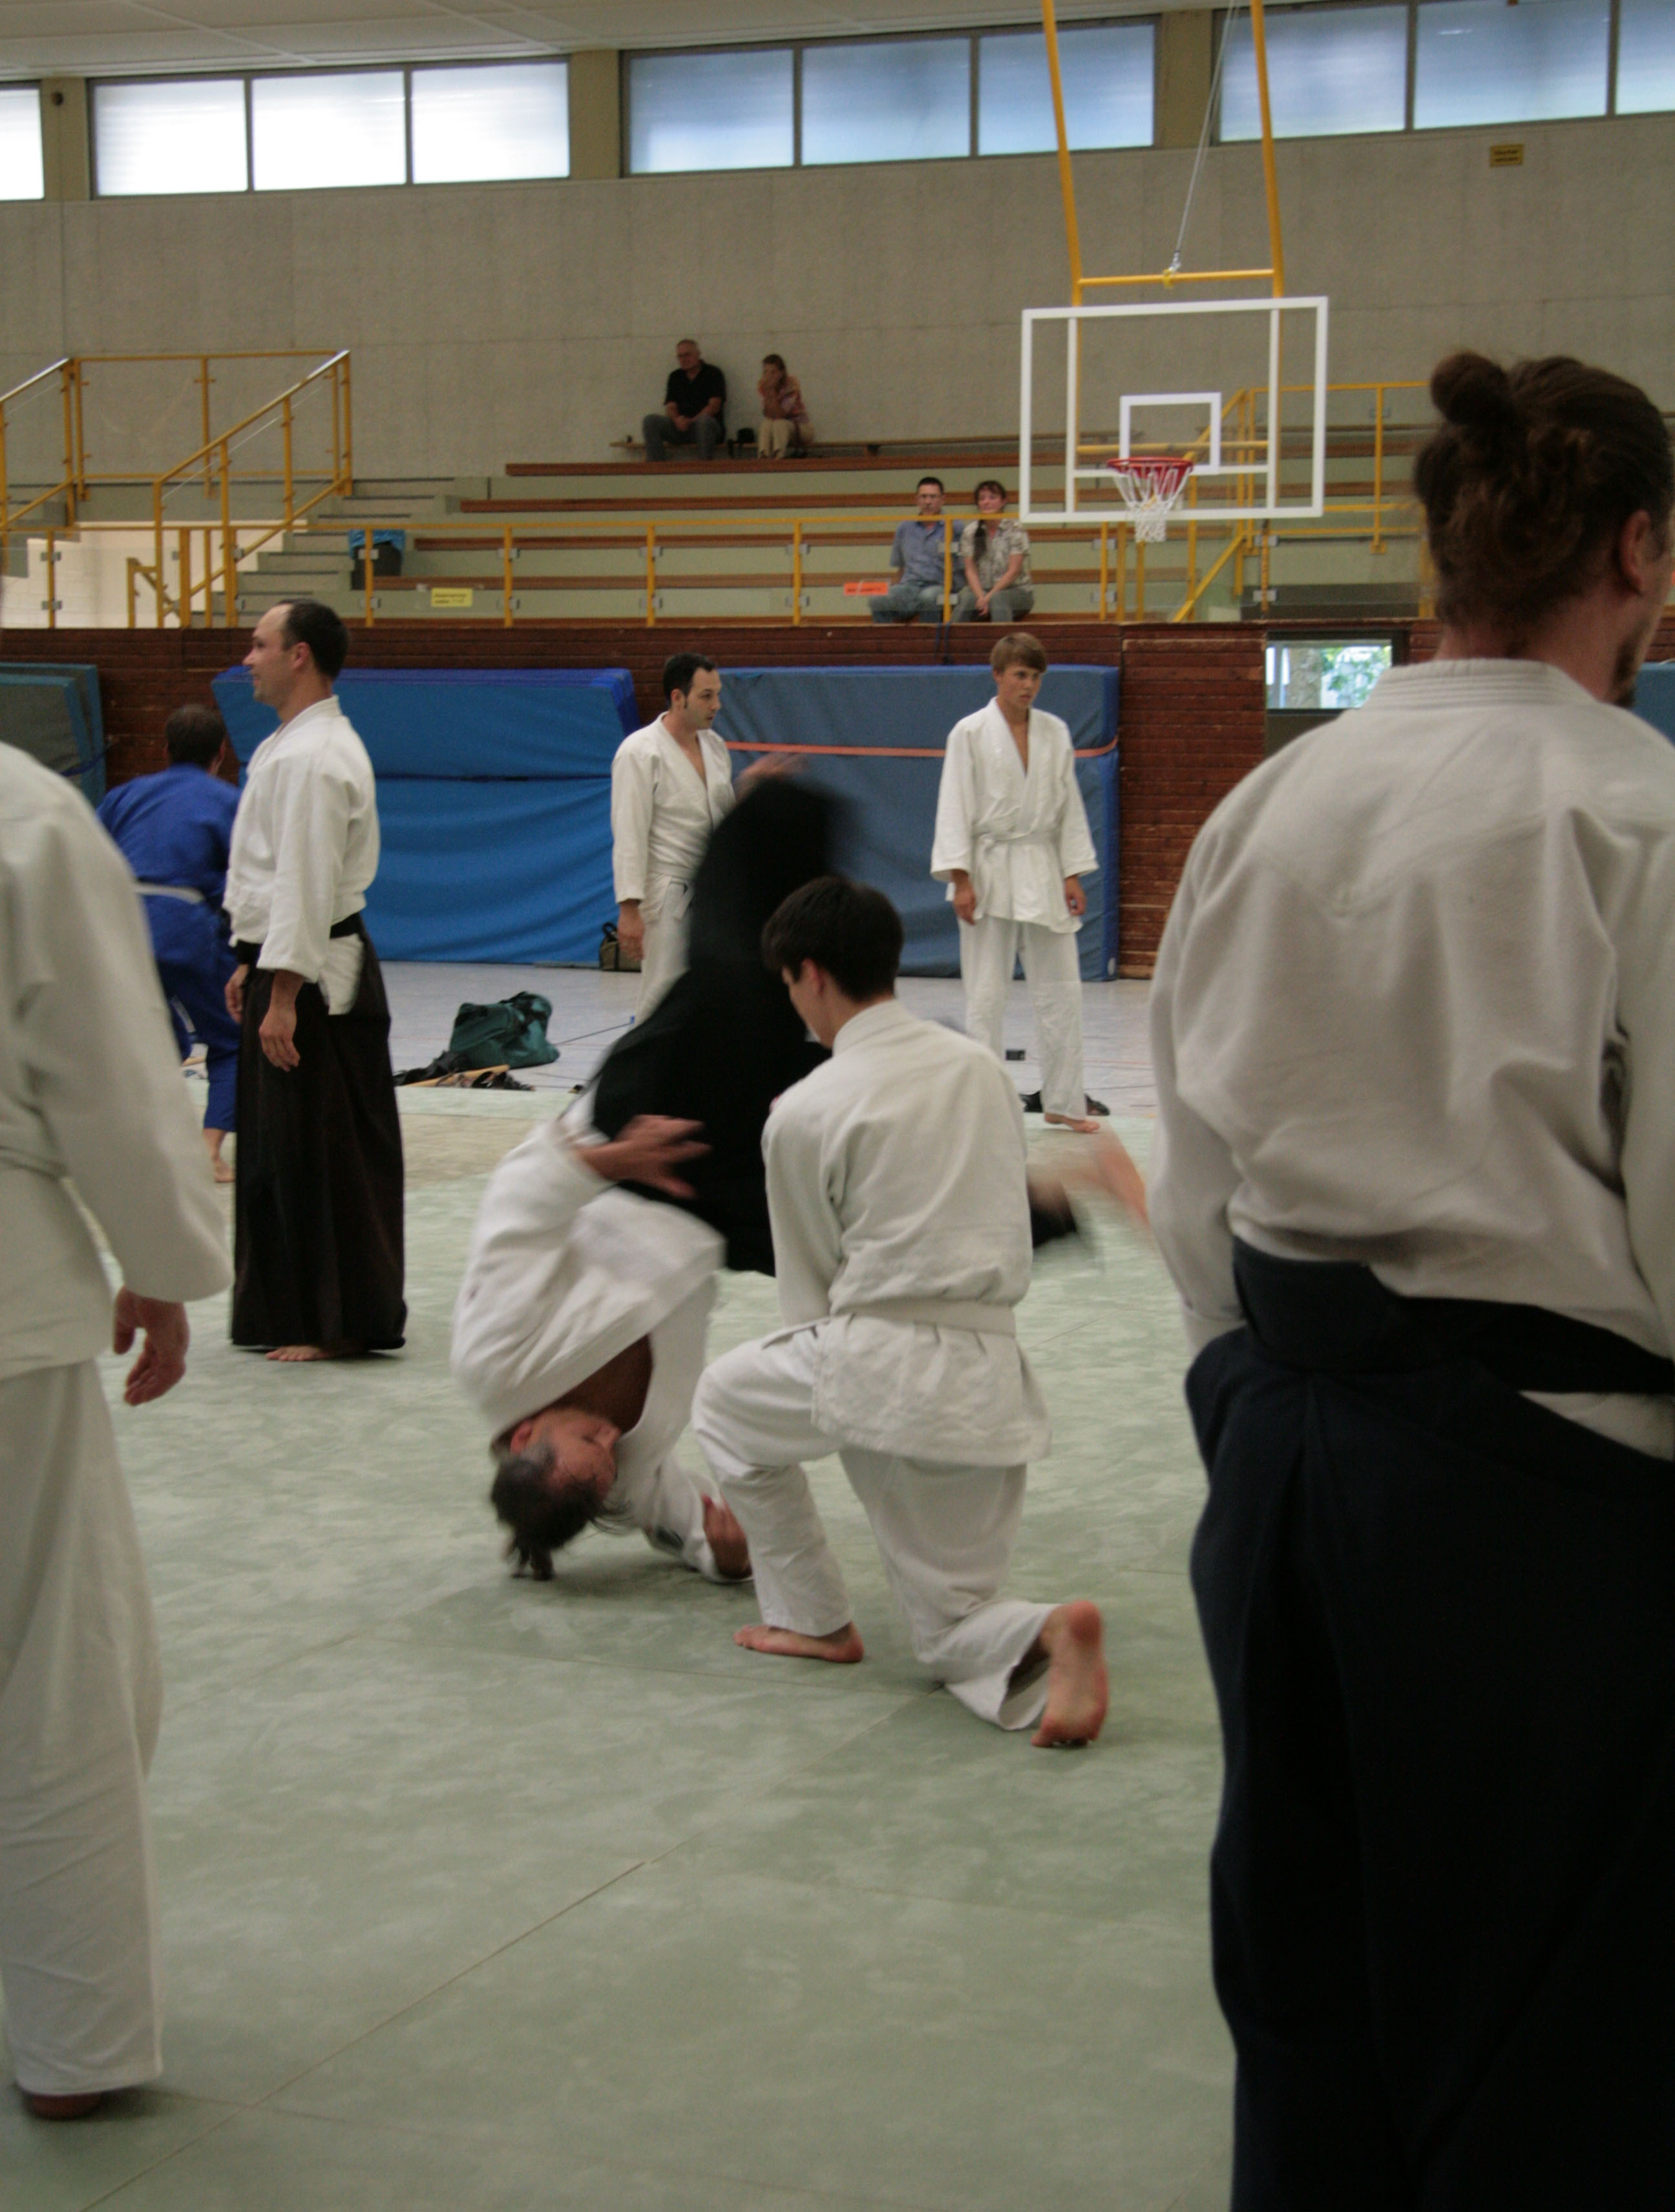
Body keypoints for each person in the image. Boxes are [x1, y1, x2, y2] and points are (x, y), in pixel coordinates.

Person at [1148, 352, 1675, 2209]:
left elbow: (1193, 1182)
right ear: (1639, 550)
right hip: (1544, 1507)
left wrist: (1245, 1404)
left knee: (1312, 2013)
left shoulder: (1273, 802)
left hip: (1284, 1468)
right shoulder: (1636, 809)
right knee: (1553, 2059)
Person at [691, 876, 1110, 1746]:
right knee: (959, 1607)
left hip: (882, 1367)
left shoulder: (805, 1110)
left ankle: (816, 1619)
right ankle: (1034, 1628)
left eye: (789, 984)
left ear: (810, 974)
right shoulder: (981, 1070)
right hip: (991, 1373)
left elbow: (810, 1292)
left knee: (725, 1400)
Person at [1, 741, 231, 2121]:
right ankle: (75, 2038)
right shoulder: (22, 816)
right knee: (53, 1668)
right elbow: (112, 1077)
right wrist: (161, 1257)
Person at [457, 778, 842, 1581]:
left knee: (734, 985)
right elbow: (672, 1513)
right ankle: (1038, 1208)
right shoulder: (622, 1477)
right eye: (608, 1459)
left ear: (524, 1435)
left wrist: (612, 1160)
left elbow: (514, 1216)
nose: (614, 1440)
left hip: (627, 1148)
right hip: (705, 1218)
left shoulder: (495, 1366)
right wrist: (718, 1549)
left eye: (589, 1440)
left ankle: (763, 817)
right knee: (853, 1240)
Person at [224, 599, 405, 1362]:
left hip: (316, 983)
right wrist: (250, 958)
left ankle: (336, 1322)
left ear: (299, 655)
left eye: (260, 645)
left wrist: (285, 993)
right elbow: (267, 874)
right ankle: (286, 1310)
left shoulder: (315, 757)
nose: (249, 659)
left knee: (323, 1151)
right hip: (286, 963)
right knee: (277, 1151)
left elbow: (307, 879)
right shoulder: (289, 745)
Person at [932, 632, 1104, 1133]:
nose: (1029, 685)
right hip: (988, 870)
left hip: (1043, 865)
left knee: (1063, 990)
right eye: (1020, 675)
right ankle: (985, 1103)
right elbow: (954, 805)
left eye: (1036, 677)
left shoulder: (1055, 731)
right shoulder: (969, 732)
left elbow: (1069, 806)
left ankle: (1064, 1100)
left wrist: (1072, 873)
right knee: (986, 995)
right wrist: (961, 879)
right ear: (998, 676)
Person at [97, 704, 242, 1184]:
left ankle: (135, 1142)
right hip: (186, 928)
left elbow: (90, 859)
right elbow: (246, 880)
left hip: (123, 927)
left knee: (154, 1038)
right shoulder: (229, 801)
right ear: (220, 753)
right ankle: (208, 1151)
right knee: (230, 1041)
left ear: (164, 750)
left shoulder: (123, 796)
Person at [611, 651, 735, 1015]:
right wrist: (628, 909)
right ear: (678, 698)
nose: (717, 705)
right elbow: (629, 833)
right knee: (663, 1000)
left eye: (717, 694)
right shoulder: (639, 752)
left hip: (713, 892)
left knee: (714, 997)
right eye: (706, 696)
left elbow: (723, 820)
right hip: (666, 896)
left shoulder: (715, 747)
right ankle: (645, 1055)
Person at [869, 477, 951, 624]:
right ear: (917, 500)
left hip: (939, 587)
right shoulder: (904, 528)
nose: (928, 502)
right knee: (877, 600)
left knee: (928, 598)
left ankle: (930, 639)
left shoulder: (954, 526)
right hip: (909, 587)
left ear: (942, 500)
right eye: (923, 497)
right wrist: (895, 590)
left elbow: (962, 567)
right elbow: (901, 568)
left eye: (933, 497)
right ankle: (887, 638)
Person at [953, 481, 1034, 624]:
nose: (986, 502)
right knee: (966, 601)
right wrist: (981, 597)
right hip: (981, 591)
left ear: (1003, 502)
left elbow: (1014, 571)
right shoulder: (970, 532)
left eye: (992, 497)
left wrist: (988, 597)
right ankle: (949, 638)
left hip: (1017, 592)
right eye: (982, 498)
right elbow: (970, 571)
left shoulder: (1015, 529)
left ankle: (1002, 639)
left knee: (998, 599)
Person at [642, 339, 726, 463]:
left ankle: (704, 469)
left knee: (704, 422)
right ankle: (656, 468)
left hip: (706, 427)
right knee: (650, 421)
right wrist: (677, 420)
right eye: (680, 356)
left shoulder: (713, 373)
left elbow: (714, 406)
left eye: (687, 355)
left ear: (698, 355)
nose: (684, 359)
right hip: (680, 427)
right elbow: (671, 407)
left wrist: (691, 421)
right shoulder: (675, 377)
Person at [757, 353, 812, 459]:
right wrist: (768, 393)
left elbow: (780, 414)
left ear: (781, 373)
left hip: (800, 428)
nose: (769, 376)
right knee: (766, 423)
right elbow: (768, 414)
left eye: (773, 372)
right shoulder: (762, 386)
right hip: (777, 427)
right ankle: (764, 456)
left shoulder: (791, 385)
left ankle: (779, 457)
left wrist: (772, 392)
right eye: (765, 372)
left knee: (779, 424)